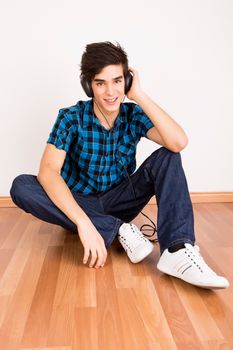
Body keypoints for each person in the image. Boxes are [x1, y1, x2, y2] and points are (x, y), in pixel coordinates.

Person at [10, 41, 229, 289]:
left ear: (127, 80)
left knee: (169, 156)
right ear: (88, 86)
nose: (110, 91)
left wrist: (139, 95)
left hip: (120, 201)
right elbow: (48, 172)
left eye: (117, 81)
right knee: (21, 186)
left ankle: (177, 250)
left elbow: (178, 142)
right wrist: (84, 224)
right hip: (79, 204)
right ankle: (117, 230)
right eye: (100, 83)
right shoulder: (71, 117)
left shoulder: (133, 114)